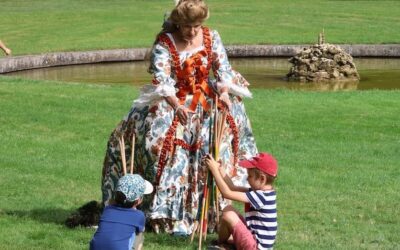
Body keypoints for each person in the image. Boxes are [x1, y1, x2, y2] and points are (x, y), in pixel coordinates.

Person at [101, 0, 258, 235]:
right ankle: (167, 216)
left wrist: (224, 92)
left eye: (196, 25)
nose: (192, 31)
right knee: (158, 143)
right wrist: (176, 106)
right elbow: (163, 81)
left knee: (217, 145)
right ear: (177, 22)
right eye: (187, 26)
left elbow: (222, 68)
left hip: (207, 98)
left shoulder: (211, 37)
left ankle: (213, 213)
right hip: (175, 100)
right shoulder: (164, 44)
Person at [204, 152, 278, 250]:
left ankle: (221, 245)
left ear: (262, 178)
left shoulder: (261, 196)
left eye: (250, 176)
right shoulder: (263, 193)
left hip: (256, 247)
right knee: (228, 209)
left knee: (229, 215)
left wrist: (214, 171)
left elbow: (227, 193)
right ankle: (224, 245)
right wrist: (220, 169)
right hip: (254, 242)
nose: (247, 179)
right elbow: (232, 187)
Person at [90, 174, 154, 250]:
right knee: (140, 235)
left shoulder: (107, 210)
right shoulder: (139, 215)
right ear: (138, 200)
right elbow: (140, 231)